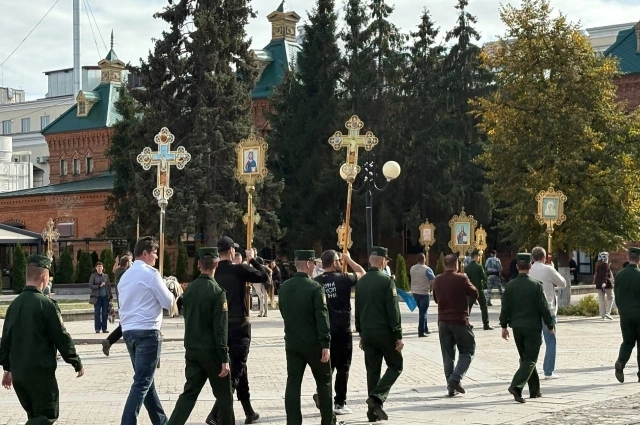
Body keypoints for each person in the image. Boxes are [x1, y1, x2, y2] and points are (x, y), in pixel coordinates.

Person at [0, 254, 84, 423]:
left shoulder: (14, 306)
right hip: (40, 373)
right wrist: (75, 360)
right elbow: (61, 336)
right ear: (44, 277)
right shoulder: (46, 305)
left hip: (19, 375)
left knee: (34, 415)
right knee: (46, 415)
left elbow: (6, 340)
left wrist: (7, 369)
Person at [205, 237, 268, 425]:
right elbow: (264, 277)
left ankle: (249, 411)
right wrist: (253, 259)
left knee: (240, 369)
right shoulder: (238, 269)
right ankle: (216, 413)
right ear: (232, 251)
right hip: (239, 325)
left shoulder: (214, 272)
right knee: (236, 370)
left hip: (221, 326)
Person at [167, 248, 234, 425]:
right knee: (225, 397)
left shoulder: (189, 291)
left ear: (198, 265)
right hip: (212, 352)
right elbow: (220, 329)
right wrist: (224, 357)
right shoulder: (218, 292)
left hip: (192, 350)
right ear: (216, 264)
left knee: (189, 394)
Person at [279, 250, 345, 425]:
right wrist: (325, 343)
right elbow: (322, 317)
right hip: (314, 343)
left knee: (293, 383)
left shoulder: (284, 287)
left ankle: (293, 421)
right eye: (313, 263)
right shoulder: (315, 287)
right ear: (308, 264)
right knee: (324, 382)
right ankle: (327, 420)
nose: (315, 266)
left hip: (292, 342)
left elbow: (284, 312)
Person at [118, 237, 174, 425]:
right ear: (145, 253)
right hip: (147, 332)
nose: (156, 257)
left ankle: (161, 421)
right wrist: (172, 290)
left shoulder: (125, 276)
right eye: (154, 253)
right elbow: (168, 302)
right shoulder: (151, 274)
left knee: (146, 382)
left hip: (129, 332)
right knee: (142, 382)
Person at [312, 250, 365, 415]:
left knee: (328, 366)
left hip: (324, 330)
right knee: (343, 367)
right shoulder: (343, 278)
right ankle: (339, 402)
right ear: (334, 262)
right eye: (339, 261)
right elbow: (362, 273)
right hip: (342, 329)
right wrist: (349, 259)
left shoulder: (316, 282)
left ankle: (322, 393)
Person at [355, 246, 403, 422]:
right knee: (396, 365)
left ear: (370, 260)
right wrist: (398, 334)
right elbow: (393, 311)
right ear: (383, 261)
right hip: (384, 332)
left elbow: (357, 309)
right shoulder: (386, 281)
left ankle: (372, 412)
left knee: (372, 370)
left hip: (367, 332)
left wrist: (361, 332)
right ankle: (376, 397)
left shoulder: (361, 282)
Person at [499, 253, 554, 403]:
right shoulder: (536, 285)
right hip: (532, 327)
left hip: (517, 327)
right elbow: (543, 307)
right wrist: (550, 324)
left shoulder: (510, 286)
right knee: (530, 359)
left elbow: (505, 308)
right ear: (530, 266)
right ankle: (516, 386)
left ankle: (535, 390)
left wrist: (504, 326)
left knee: (526, 358)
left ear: (517, 267)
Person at [433, 253, 478, 397]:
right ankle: (455, 378)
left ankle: (451, 388)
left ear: (444, 264)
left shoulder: (437, 279)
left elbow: (436, 299)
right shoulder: (461, 278)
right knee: (468, 350)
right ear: (456, 264)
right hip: (459, 320)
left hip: (443, 321)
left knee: (447, 355)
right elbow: (475, 293)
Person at [529, 247, 566, 380]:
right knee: (550, 341)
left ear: (532, 258)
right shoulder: (548, 269)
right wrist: (553, 268)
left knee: (534, 342)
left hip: (532, 310)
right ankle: (548, 371)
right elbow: (563, 283)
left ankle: (529, 368)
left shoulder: (528, 269)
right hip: (548, 309)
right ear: (544, 257)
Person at [613, 247, 640, 383]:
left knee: (628, 342)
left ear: (628, 257)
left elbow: (616, 294)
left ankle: (620, 362)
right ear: (639, 259)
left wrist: (621, 310)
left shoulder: (620, 275)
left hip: (625, 314)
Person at [101, 255, 132, 356]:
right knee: (126, 325)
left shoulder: (119, 271)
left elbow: (114, 269)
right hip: (127, 302)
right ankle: (109, 341)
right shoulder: (125, 273)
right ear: (127, 263)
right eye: (130, 262)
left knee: (125, 325)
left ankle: (109, 342)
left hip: (122, 301)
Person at [464, 250, 493, 330]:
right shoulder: (479, 267)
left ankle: (466, 323)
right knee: (483, 306)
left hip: (470, 290)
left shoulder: (467, 267)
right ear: (476, 256)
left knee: (468, 307)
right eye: (478, 256)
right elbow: (484, 277)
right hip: (478, 289)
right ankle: (486, 324)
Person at [409, 253, 436, 337]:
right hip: (424, 292)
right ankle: (421, 331)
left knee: (422, 311)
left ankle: (425, 328)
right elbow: (433, 280)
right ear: (424, 259)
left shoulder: (412, 268)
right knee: (423, 312)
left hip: (415, 292)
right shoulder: (427, 269)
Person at [89, 262, 113, 334]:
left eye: (101, 266)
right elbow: (90, 285)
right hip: (97, 297)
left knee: (105, 313)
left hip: (105, 297)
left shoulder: (105, 276)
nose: (100, 268)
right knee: (97, 312)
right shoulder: (93, 276)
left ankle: (104, 328)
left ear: (102, 268)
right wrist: (99, 286)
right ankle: (97, 328)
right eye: (98, 267)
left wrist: (110, 296)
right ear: (96, 268)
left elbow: (108, 286)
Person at [594, 252, 615, 320]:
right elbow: (604, 274)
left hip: (598, 285)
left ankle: (603, 316)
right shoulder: (605, 266)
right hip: (606, 285)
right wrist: (604, 282)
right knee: (611, 298)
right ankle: (608, 313)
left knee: (601, 300)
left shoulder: (598, 265)